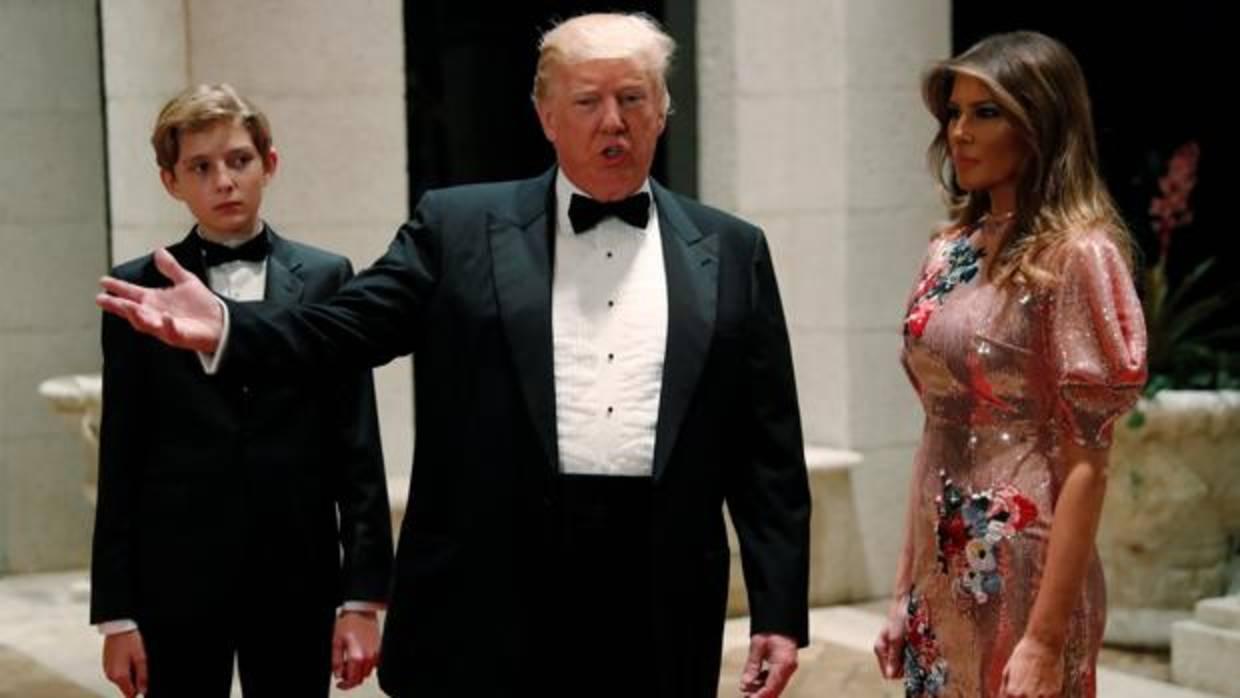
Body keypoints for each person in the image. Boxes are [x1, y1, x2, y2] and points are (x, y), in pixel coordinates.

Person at [95, 14, 811, 698]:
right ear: (546, 116)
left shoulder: (732, 249)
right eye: (587, 101)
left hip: (661, 595)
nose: (613, 121)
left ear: (662, 110)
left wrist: (778, 612)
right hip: (496, 594)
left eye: (632, 98)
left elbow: (768, 452)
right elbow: (341, 329)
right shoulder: (459, 226)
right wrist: (229, 329)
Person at [90, 84, 393, 698]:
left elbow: (357, 447)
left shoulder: (328, 277)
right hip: (175, 579)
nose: (224, 181)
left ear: (269, 163)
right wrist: (117, 615)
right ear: (171, 181)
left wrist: (361, 600)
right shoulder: (139, 287)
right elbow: (121, 454)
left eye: (239, 160)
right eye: (201, 167)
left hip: (298, 575)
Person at [872, 32, 1147, 698]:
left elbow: (1088, 464)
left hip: (1027, 565)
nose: (960, 132)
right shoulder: (947, 252)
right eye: (954, 113)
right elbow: (937, 427)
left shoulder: (1079, 255)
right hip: (942, 561)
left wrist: (1046, 638)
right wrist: (904, 587)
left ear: (1039, 122)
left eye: (986, 112)